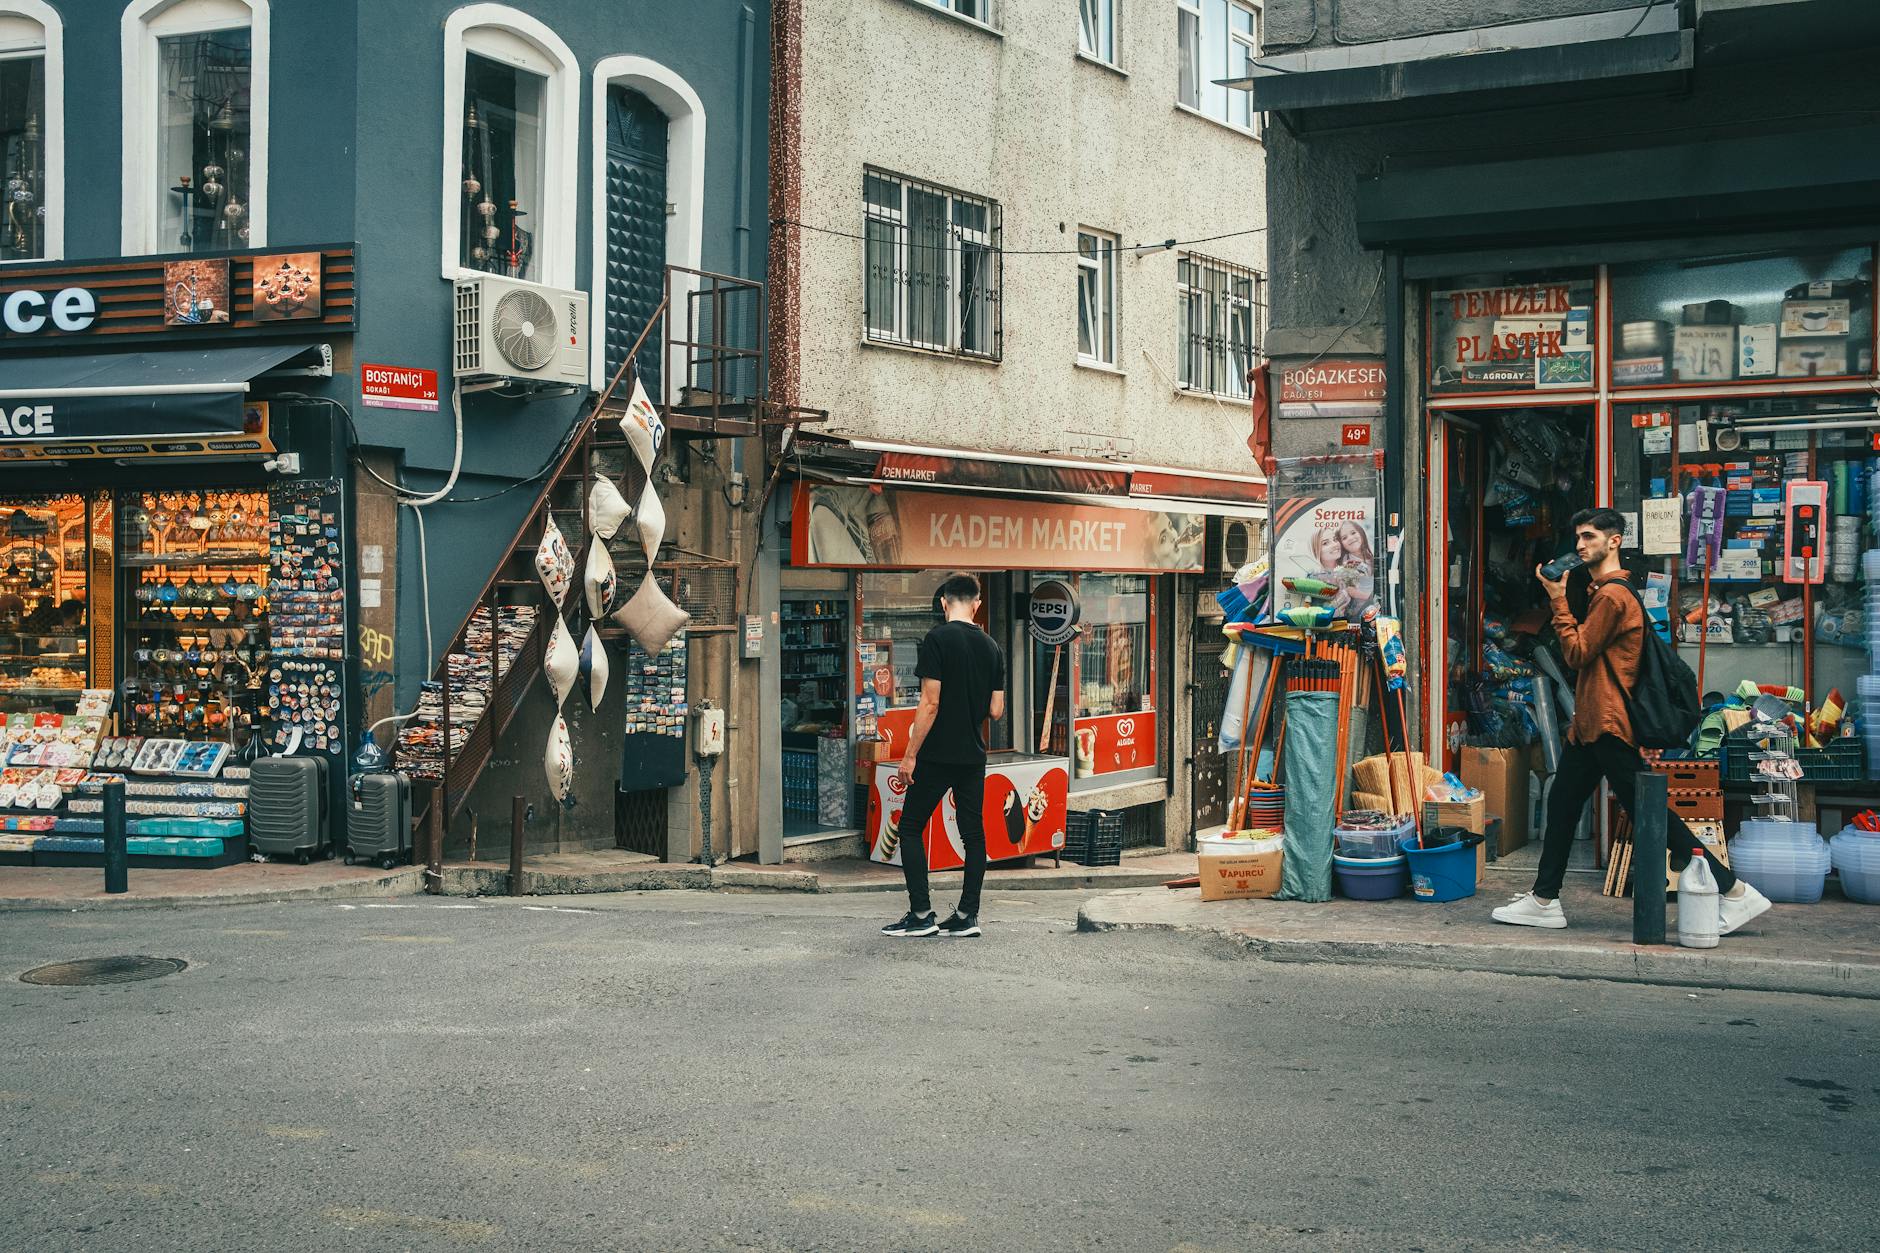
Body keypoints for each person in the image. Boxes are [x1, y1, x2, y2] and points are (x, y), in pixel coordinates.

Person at [1493, 509, 1772, 934]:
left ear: (1614, 541)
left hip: (1608, 725)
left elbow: (1577, 653)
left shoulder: (1612, 597)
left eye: (1590, 536)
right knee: (1564, 805)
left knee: (1652, 813)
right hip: (1592, 726)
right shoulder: (1606, 592)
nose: (1580, 545)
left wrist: (1557, 598)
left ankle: (1734, 891)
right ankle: (1544, 899)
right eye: (1578, 537)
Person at [880, 572, 1006, 940]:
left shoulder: (937, 639)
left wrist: (909, 756)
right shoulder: (992, 647)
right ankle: (967, 915)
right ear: (977, 604)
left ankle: (921, 914)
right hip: (972, 757)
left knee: (910, 828)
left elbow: (930, 703)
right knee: (973, 836)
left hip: (936, 755)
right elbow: (996, 710)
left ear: (943, 602)